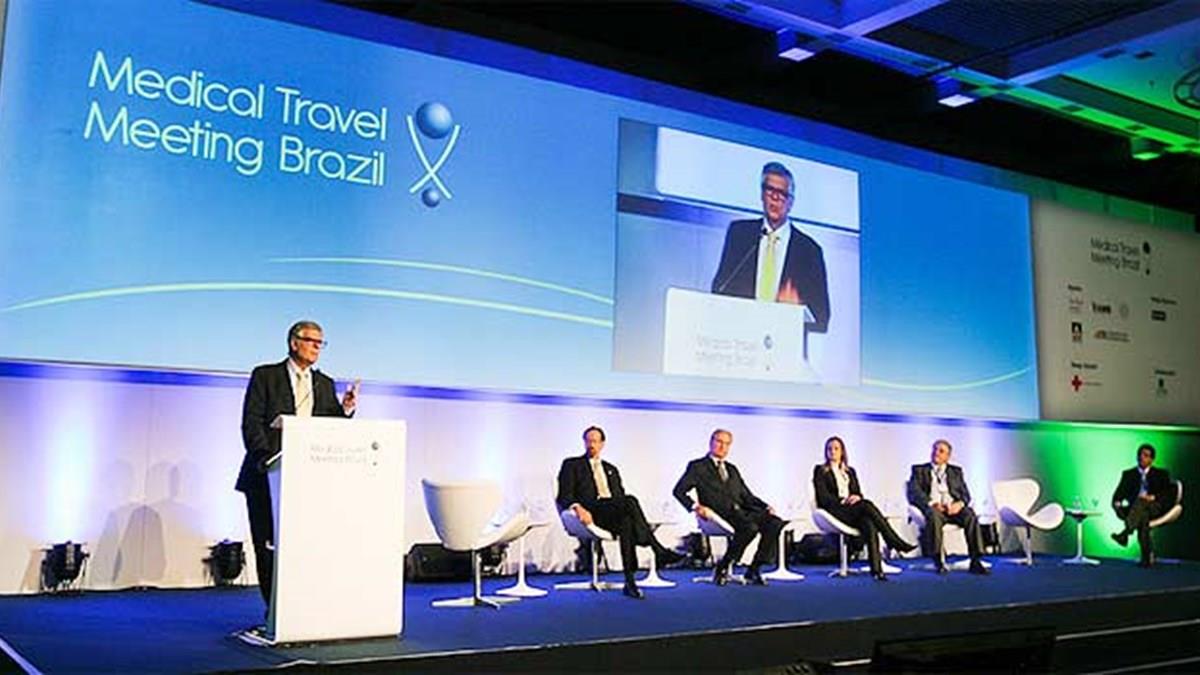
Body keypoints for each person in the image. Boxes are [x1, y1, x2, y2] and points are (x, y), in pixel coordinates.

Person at [236, 320, 359, 610]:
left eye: (321, 343)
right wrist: (266, 460)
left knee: (305, 546)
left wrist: (346, 409)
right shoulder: (266, 375)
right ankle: (274, 609)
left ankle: (301, 608)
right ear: (294, 342)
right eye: (312, 341)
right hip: (266, 475)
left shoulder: (323, 383)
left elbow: (331, 430)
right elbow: (251, 422)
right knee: (268, 545)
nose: (317, 347)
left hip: (309, 480)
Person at [556, 426, 684, 599]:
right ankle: (656, 548)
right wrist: (577, 507)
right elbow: (564, 495)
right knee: (630, 501)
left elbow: (619, 498)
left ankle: (630, 582)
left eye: (595, 441)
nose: (591, 445)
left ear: (602, 444)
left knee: (627, 522)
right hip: (590, 512)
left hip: (610, 513)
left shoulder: (611, 469)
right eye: (588, 441)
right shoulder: (572, 465)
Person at [710, 161, 830, 333]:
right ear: (761, 194)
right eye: (770, 190)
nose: (775, 198)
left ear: (791, 202)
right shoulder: (739, 234)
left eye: (782, 194)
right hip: (741, 337)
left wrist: (795, 312)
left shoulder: (809, 251)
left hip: (784, 341)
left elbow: (822, 319)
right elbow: (719, 290)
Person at [672, 429, 784, 586]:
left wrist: (765, 506)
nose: (722, 447)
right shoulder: (697, 467)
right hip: (719, 514)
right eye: (719, 442)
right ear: (711, 442)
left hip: (742, 512)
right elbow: (678, 491)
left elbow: (746, 496)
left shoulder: (732, 469)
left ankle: (754, 569)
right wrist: (696, 507)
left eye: (727, 444)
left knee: (775, 522)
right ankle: (723, 565)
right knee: (749, 528)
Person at [814, 436, 916, 581]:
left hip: (852, 510)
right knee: (866, 505)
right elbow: (823, 498)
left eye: (836, 448)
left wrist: (856, 497)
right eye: (829, 449)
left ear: (842, 452)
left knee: (868, 523)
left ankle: (877, 571)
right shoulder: (820, 470)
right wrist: (843, 500)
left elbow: (858, 493)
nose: (832, 451)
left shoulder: (850, 471)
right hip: (834, 511)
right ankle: (892, 539)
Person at [906, 439, 989, 575]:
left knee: (970, 514)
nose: (936, 453)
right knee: (933, 515)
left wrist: (959, 504)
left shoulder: (956, 471)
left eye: (941, 451)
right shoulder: (919, 470)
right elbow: (914, 492)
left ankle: (975, 560)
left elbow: (966, 495)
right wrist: (931, 503)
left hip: (953, 509)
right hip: (935, 508)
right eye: (934, 449)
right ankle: (938, 559)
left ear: (948, 456)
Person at [1111, 443, 1175, 567]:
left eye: (1145, 455)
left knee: (1142, 503)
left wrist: (1153, 497)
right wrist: (1117, 503)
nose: (1141, 457)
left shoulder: (1161, 474)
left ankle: (1125, 533)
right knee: (1143, 517)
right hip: (1135, 510)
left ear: (1151, 459)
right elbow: (1117, 495)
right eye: (1140, 455)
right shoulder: (1128, 474)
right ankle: (1146, 558)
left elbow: (1169, 493)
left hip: (1154, 507)